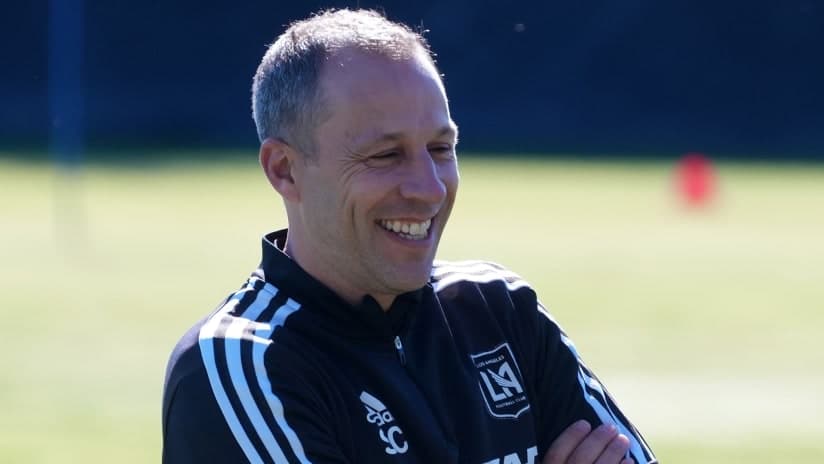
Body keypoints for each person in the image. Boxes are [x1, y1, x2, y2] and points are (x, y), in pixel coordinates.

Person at [161, 8, 657, 464]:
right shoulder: (243, 366)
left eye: (441, 149)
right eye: (385, 156)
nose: (429, 188)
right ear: (285, 170)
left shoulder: (499, 312)